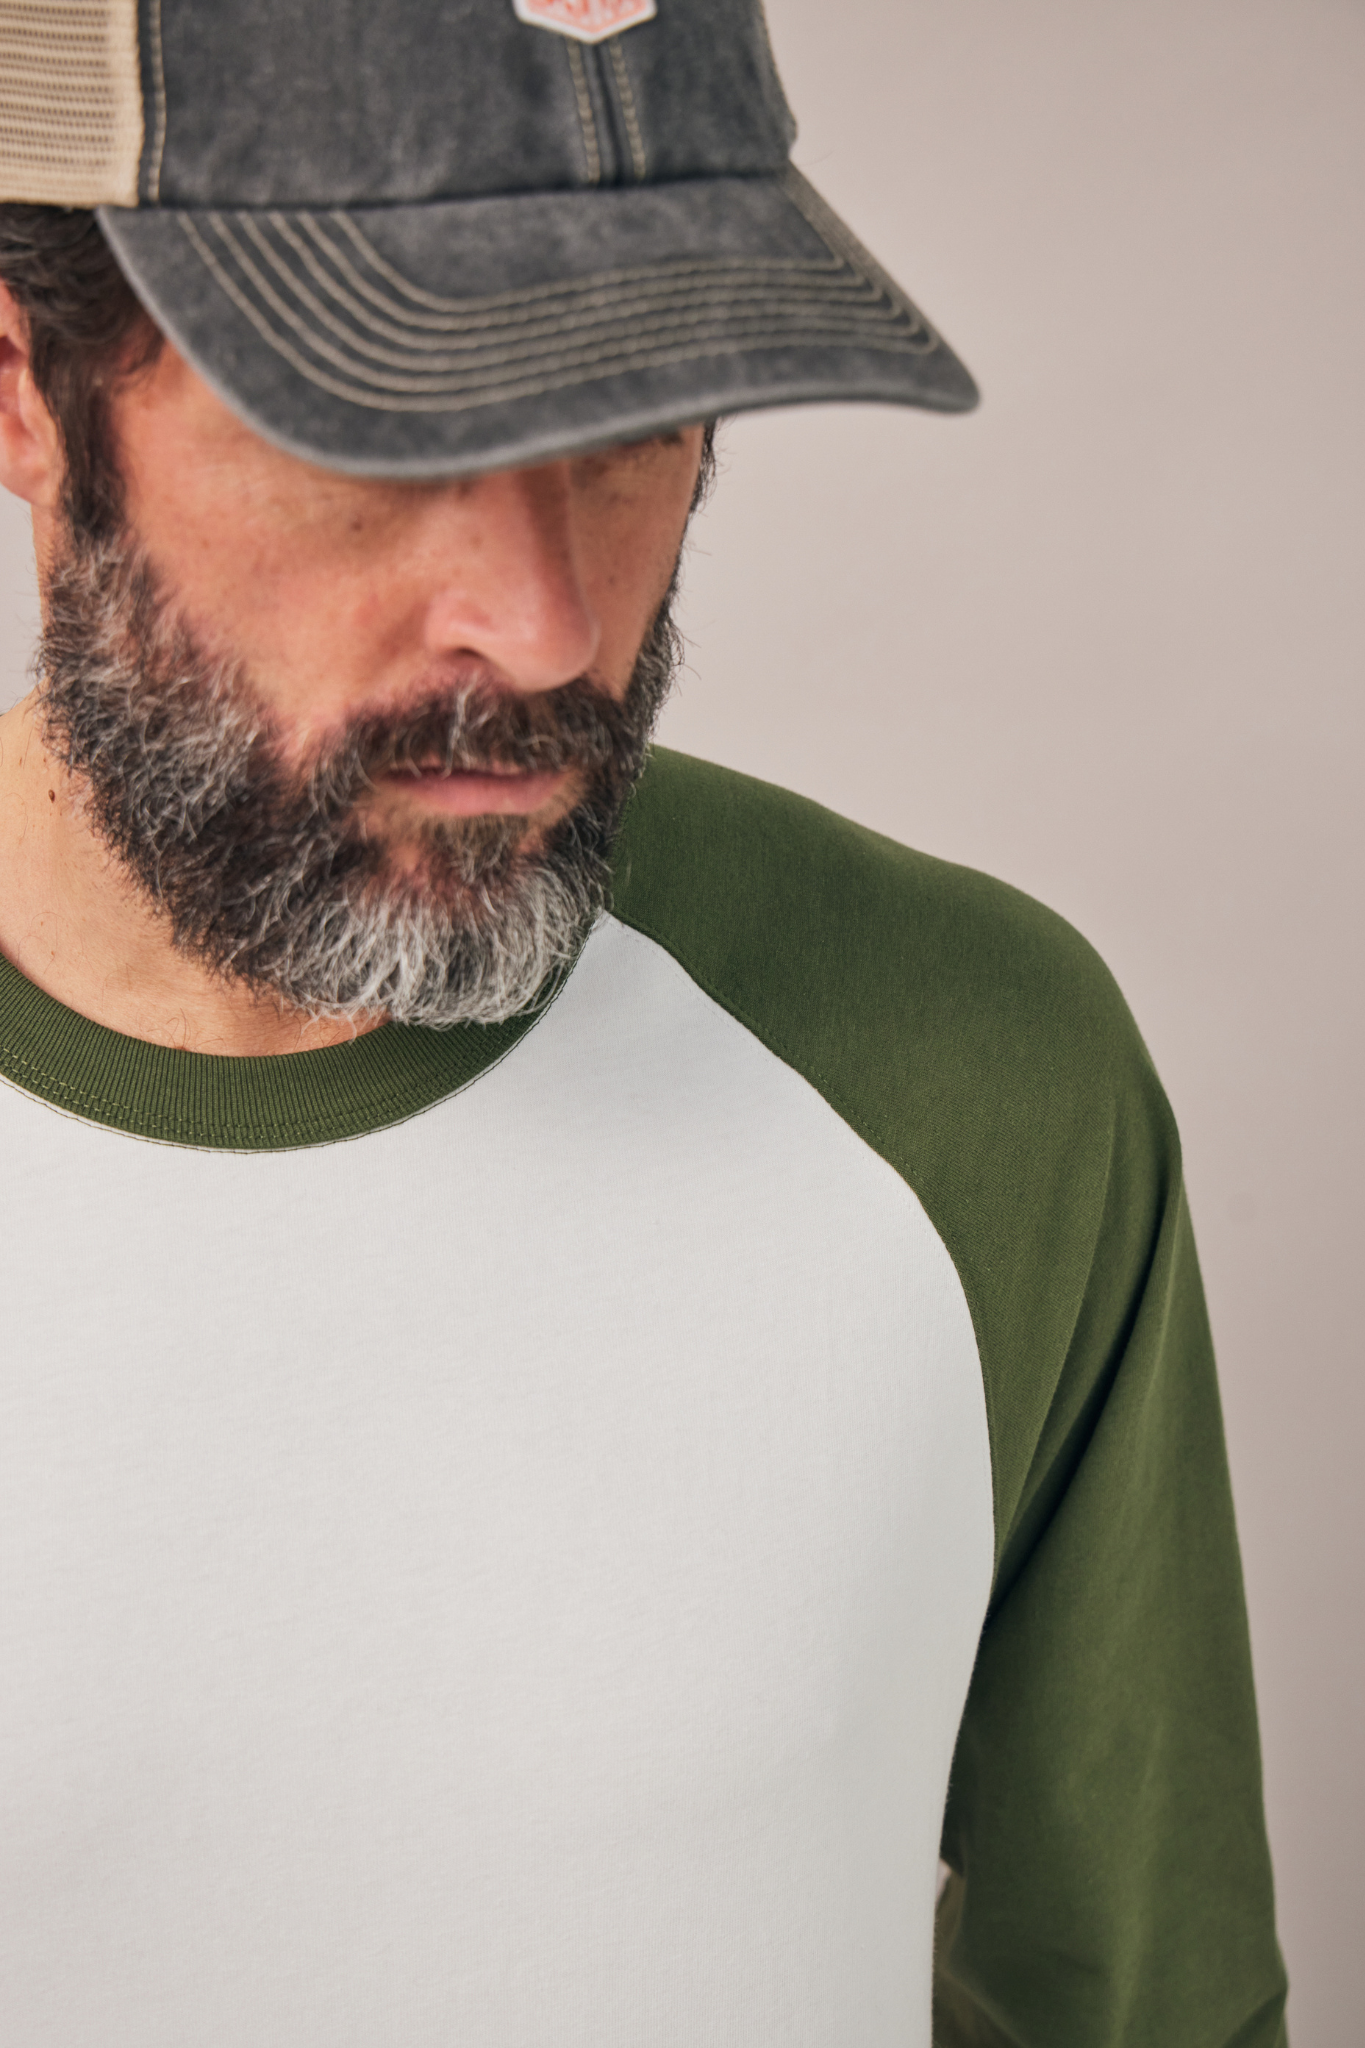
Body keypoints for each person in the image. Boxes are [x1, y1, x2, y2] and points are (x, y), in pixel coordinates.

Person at [0, 3, 1287, 2043]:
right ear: (26, 392)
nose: (545, 626)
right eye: (379, 430)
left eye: (631, 426)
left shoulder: (964, 1081)